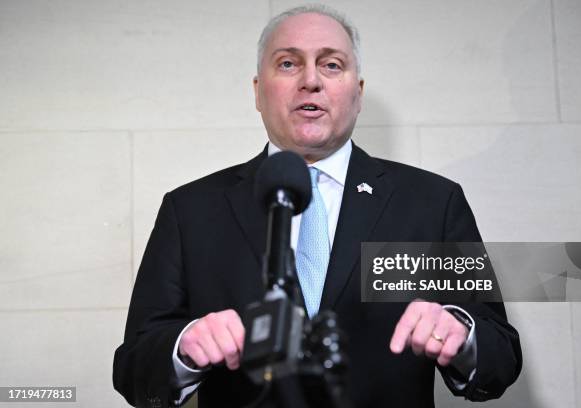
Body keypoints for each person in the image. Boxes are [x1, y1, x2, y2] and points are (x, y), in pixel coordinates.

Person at [113, 5, 521, 408]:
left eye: (331, 65)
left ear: (357, 93)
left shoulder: (432, 204)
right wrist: (184, 349)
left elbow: (500, 355)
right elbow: (134, 371)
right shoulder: (190, 211)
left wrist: (460, 335)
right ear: (257, 91)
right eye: (288, 64)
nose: (310, 80)